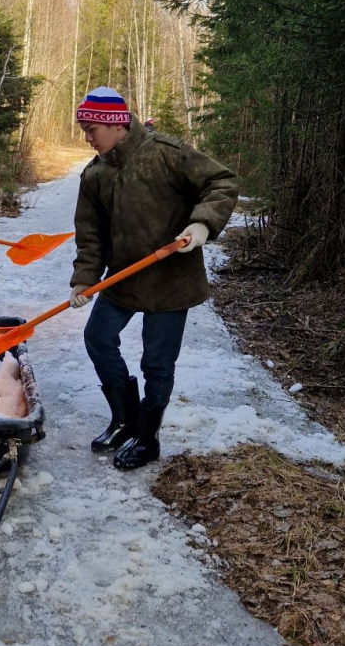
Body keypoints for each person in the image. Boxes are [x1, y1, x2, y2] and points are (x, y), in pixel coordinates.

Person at [69, 86, 238, 470]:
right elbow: (90, 234)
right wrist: (84, 279)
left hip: (170, 280)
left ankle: (147, 439)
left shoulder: (166, 153)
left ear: (115, 124)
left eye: (91, 129)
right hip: (123, 278)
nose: (87, 138)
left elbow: (222, 182)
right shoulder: (95, 174)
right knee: (98, 338)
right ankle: (125, 420)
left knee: (157, 363)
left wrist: (202, 224)